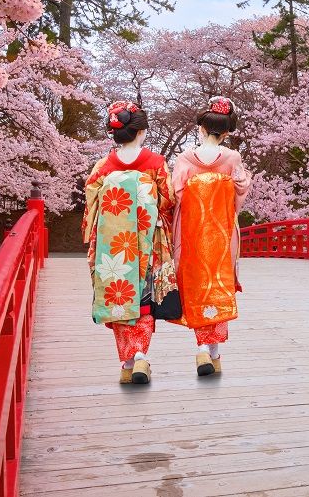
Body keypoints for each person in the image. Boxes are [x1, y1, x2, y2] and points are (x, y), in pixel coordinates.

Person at [82, 101, 179, 384]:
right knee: (144, 297)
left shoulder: (102, 167)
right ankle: (140, 357)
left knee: (119, 295)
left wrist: (93, 235)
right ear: (142, 132)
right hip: (147, 240)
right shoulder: (155, 164)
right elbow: (168, 200)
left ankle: (128, 361)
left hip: (112, 244)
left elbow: (91, 205)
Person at [170, 96, 252, 376]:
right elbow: (239, 192)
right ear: (227, 131)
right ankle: (210, 349)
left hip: (191, 232)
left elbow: (176, 195)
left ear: (201, 128)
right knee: (219, 282)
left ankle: (206, 349)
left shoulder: (184, 158)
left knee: (197, 283)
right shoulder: (232, 158)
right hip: (221, 230)